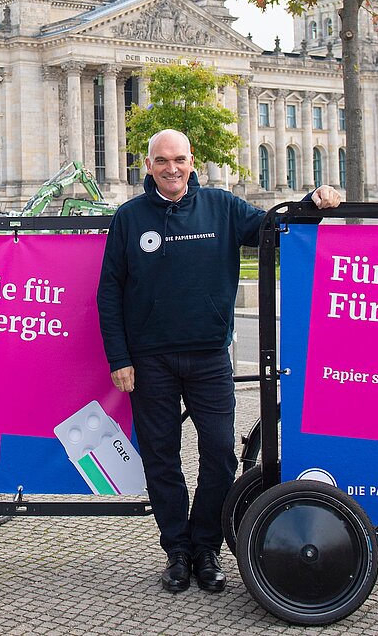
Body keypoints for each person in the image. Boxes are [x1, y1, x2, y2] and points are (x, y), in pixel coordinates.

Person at [97, 129, 341, 593]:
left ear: (194, 162)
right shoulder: (128, 218)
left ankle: (206, 546)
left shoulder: (223, 207)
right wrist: (120, 357)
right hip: (150, 361)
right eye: (162, 160)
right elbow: (109, 293)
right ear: (147, 165)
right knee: (161, 458)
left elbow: (273, 227)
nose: (172, 168)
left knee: (220, 455)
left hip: (210, 356)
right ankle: (177, 550)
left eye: (180, 159)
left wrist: (311, 202)